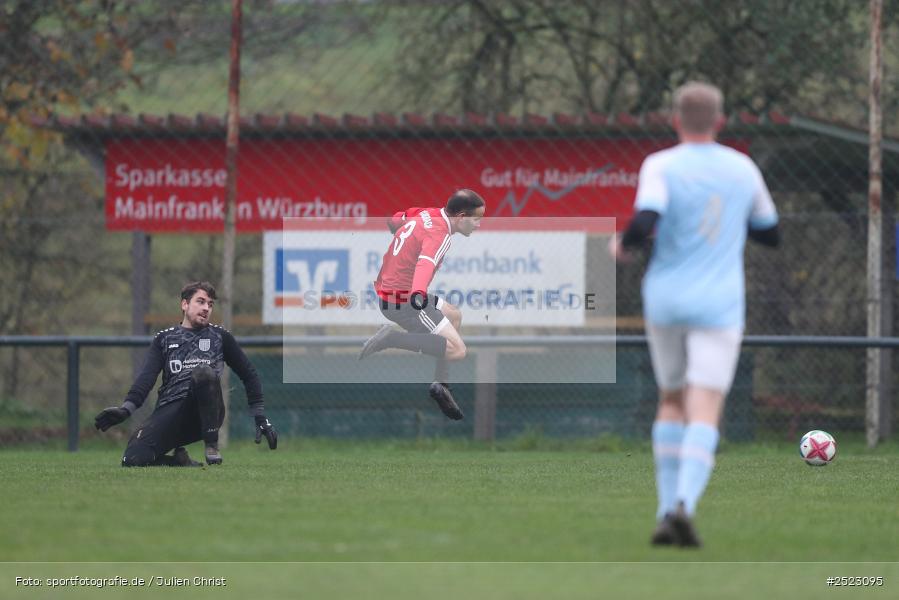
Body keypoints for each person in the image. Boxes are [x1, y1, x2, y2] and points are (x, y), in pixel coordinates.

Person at [610, 82, 779, 547]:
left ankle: (665, 511)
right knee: (705, 406)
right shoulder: (742, 168)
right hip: (720, 304)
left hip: (665, 298)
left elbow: (646, 221)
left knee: (671, 399)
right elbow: (770, 232)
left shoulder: (661, 164)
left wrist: (623, 247)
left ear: (676, 120)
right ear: (720, 121)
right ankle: (684, 503)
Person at [94, 281, 278, 466]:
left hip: (206, 414)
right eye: (200, 301)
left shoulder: (220, 336)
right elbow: (146, 379)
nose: (206, 308)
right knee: (131, 460)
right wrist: (126, 409)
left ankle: (212, 445)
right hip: (170, 409)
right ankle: (179, 462)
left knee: (204, 373)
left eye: (210, 304)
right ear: (184, 304)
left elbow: (249, 374)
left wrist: (260, 417)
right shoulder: (164, 339)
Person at [358, 189, 486, 420]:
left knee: (454, 315)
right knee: (458, 351)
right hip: (405, 300)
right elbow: (425, 264)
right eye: (476, 219)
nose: (478, 225)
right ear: (460, 217)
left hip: (394, 293)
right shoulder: (441, 235)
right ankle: (390, 338)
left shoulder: (427, 213)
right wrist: (418, 294)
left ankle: (441, 385)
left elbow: (395, 219)